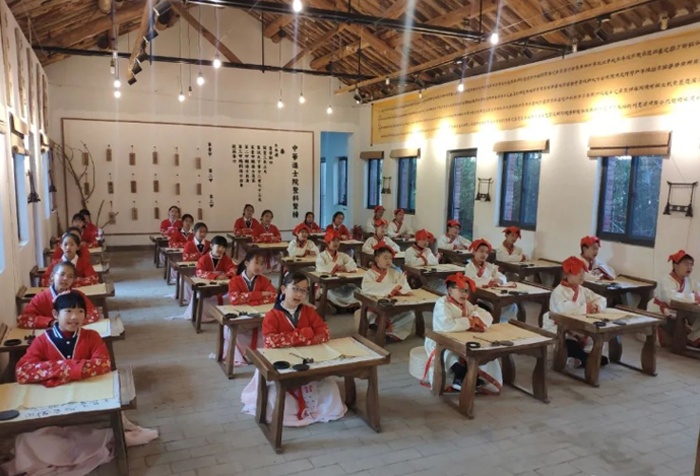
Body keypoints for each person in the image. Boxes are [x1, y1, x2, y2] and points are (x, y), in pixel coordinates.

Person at [241, 273, 346, 426]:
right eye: (295, 289)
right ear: (283, 289)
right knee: (276, 398)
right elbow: (271, 341)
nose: (299, 294)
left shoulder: (309, 312)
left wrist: (294, 339)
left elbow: (324, 333)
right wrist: (305, 334)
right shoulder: (272, 316)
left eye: (303, 291)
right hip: (281, 362)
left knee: (331, 388)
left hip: (308, 359)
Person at [423, 274, 502, 393]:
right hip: (441, 340)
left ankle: (475, 377)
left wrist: (475, 318)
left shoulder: (466, 304)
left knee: (483, 352)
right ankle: (459, 378)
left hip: (463, 338)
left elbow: (481, 312)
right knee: (450, 355)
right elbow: (447, 325)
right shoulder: (442, 303)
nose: (464, 294)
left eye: (466, 291)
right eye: (460, 290)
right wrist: (470, 321)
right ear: (450, 290)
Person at [16, 291, 111, 387]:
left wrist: (57, 374)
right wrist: (70, 369)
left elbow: (104, 363)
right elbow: (22, 371)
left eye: (80, 311)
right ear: (55, 314)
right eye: (68, 311)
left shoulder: (92, 336)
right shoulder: (42, 341)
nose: (74, 317)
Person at [542, 256, 609, 368]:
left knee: (598, 339)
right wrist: (586, 308)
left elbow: (600, 299)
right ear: (568, 274)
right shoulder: (558, 292)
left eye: (583, 273)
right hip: (559, 328)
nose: (582, 276)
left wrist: (597, 306)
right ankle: (583, 359)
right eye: (578, 273)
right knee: (568, 344)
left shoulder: (583, 290)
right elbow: (565, 309)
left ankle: (585, 358)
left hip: (579, 328)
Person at [225, 250, 277, 366]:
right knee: (234, 332)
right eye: (256, 263)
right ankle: (243, 356)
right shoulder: (235, 280)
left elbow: (273, 295)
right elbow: (234, 299)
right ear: (247, 263)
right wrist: (260, 295)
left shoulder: (264, 280)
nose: (259, 267)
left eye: (262, 264)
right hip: (241, 319)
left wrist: (249, 299)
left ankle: (259, 356)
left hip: (259, 318)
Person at [18, 261, 101, 329]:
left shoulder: (77, 295)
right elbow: (24, 318)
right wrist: (51, 322)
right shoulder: (41, 298)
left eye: (70, 276)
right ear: (52, 276)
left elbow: (93, 313)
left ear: (73, 280)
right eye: (62, 274)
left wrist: (71, 322)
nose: (65, 279)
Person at [647, 250, 700, 347]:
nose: (689, 267)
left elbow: (698, 289)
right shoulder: (665, 280)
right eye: (686, 264)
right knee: (669, 339)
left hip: (680, 314)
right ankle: (688, 339)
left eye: (691, 265)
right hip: (663, 314)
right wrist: (695, 297)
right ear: (675, 266)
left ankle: (692, 338)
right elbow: (671, 297)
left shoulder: (689, 281)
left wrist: (696, 296)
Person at [360, 247, 414, 342]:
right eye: (385, 258)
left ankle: (393, 334)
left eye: (390, 258)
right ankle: (378, 329)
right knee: (374, 315)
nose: (388, 261)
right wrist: (393, 288)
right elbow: (367, 288)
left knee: (410, 314)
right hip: (375, 306)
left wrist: (398, 290)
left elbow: (404, 286)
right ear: (377, 259)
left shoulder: (395, 273)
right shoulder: (369, 274)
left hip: (394, 304)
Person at [464, 239, 516, 322]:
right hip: (478, 297)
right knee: (496, 305)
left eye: (487, 252)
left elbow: (502, 276)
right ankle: (496, 321)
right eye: (481, 251)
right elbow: (473, 282)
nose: (484, 254)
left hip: (491, 295)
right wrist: (491, 281)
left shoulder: (489, 266)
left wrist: (499, 280)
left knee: (512, 305)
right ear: (474, 252)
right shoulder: (469, 267)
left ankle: (501, 321)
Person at [315, 230, 360, 312]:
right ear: (328, 242)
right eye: (333, 240)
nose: (336, 243)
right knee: (328, 293)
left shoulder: (342, 255)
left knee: (356, 290)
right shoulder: (321, 256)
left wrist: (345, 267)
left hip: (342, 284)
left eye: (338, 241)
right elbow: (321, 268)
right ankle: (340, 307)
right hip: (329, 285)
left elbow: (353, 264)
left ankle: (340, 307)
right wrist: (336, 267)